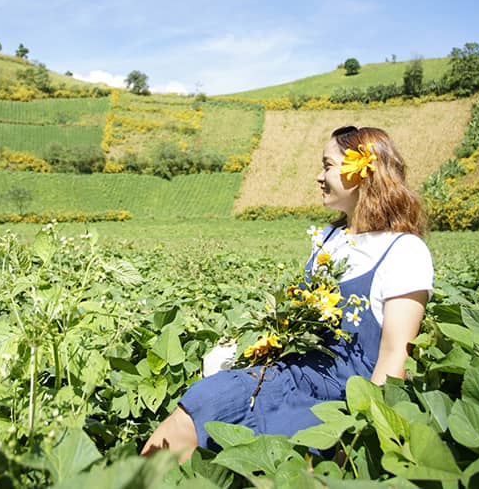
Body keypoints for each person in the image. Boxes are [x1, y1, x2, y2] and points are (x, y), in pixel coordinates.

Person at [141, 126, 432, 460]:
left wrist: (358, 438)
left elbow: (395, 355)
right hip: (289, 375)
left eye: (327, 165)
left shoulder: (403, 251)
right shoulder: (329, 239)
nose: (319, 177)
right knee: (199, 403)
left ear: (361, 171)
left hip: (340, 399)